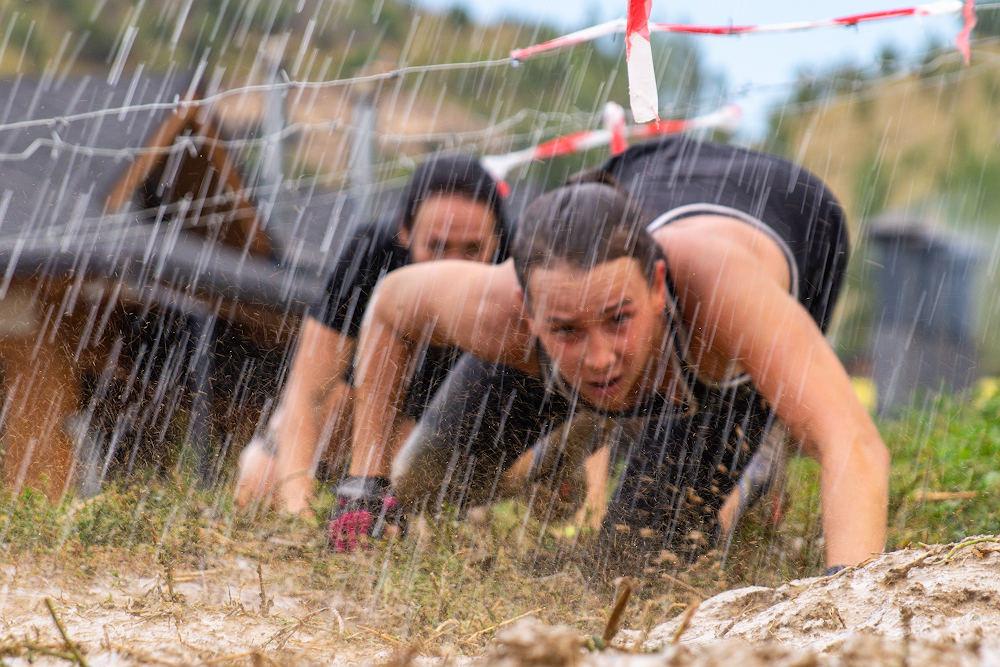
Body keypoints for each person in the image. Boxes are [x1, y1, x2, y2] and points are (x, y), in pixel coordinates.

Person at [335, 136, 889, 572]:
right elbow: (386, 309)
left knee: (633, 565)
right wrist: (363, 487)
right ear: (527, 313)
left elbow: (854, 444)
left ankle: (756, 467)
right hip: (644, 176)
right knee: (425, 482)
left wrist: (849, 604)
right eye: (568, 330)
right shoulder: (497, 307)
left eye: (618, 320)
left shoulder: (727, 301)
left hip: (792, 219)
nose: (600, 358)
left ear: (656, 287)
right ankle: (586, 421)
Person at [234, 153, 512, 515]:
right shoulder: (373, 249)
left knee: (416, 493)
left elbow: (585, 382)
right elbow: (308, 390)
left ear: (499, 240)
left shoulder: (520, 268)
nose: (452, 267)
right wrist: (296, 503)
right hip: (365, 396)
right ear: (405, 233)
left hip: (462, 421)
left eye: (473, 249)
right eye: (437, 246)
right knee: (262, 479)